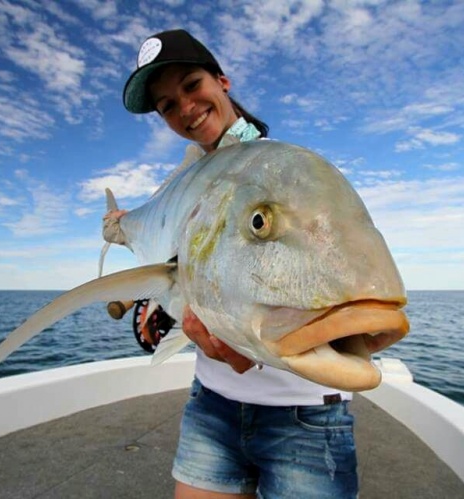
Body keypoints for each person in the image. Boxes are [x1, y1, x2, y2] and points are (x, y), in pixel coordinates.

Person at [110, 29, 358, 498]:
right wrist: (121, 227)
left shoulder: (286, 173)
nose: (184, 107)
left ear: (222, 81)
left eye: (191, 84)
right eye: (166, 105)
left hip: (305, 416)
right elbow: (181, 264)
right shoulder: (182, 189)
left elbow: (338, 286)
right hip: (213, 405)